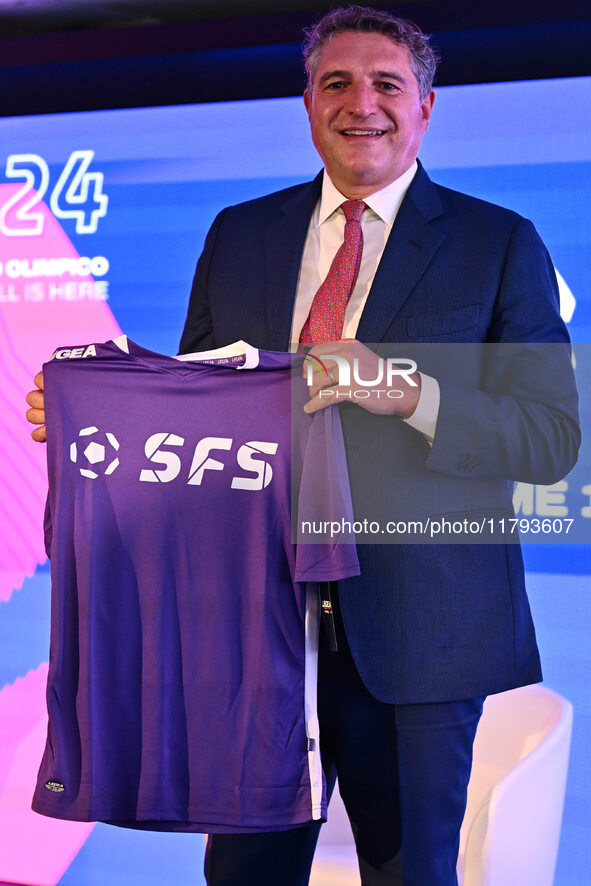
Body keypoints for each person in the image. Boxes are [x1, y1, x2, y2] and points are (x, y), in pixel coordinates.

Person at [27, 6, 579, 885]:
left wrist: (402, 390)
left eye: (387, 83)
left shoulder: (496, 242)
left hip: (419, 643)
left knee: (410, 874)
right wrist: (102, 431)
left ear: (425, 108)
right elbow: (195, 419)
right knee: (244, 875)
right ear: (308, 104)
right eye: (336, 83)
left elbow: (548, 439)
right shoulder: (240, 234)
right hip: (251, 639)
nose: (362, 103)